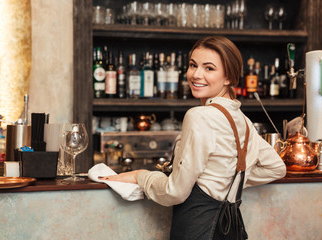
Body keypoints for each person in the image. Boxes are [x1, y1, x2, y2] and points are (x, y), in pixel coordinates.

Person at [99, 36, 286, 239]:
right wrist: (225, 178)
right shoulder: (243, 121)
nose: (196, 75)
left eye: (209, 68)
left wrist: (140, 176)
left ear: (229, 78)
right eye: (192, 65)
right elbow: (276, 167)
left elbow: (175, 192)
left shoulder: (199, 116)